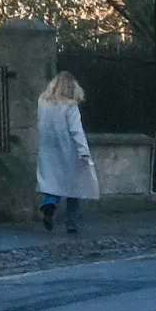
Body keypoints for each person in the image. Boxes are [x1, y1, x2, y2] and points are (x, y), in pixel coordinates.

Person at [36, 70, 99, 233]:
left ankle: (49, 204)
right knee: (74, 186)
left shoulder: (43, 102)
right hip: (68, 148)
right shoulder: (70, 106)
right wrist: (84, 152)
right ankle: (72, 223)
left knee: (53, 182)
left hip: (48, 147)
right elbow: (76, 130)